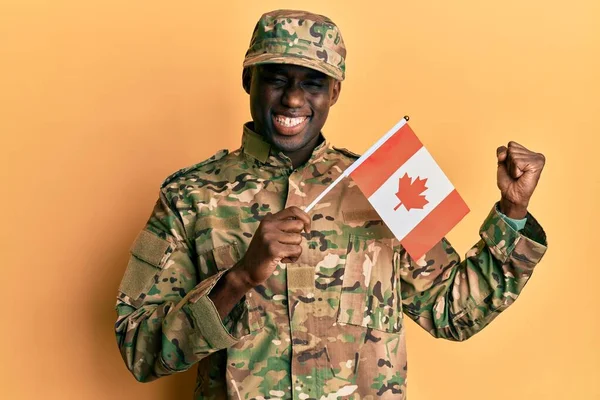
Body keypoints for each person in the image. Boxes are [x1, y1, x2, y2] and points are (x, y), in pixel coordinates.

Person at [115, 9, 547, 399]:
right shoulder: (190, 196)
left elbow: (453, 311)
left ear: (335, 91)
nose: (294, 99)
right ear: (249, 80)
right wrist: (239, 278)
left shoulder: (389, 182)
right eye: (277, 79)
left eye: (313, 84)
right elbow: (140, 351)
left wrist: (512, 212)